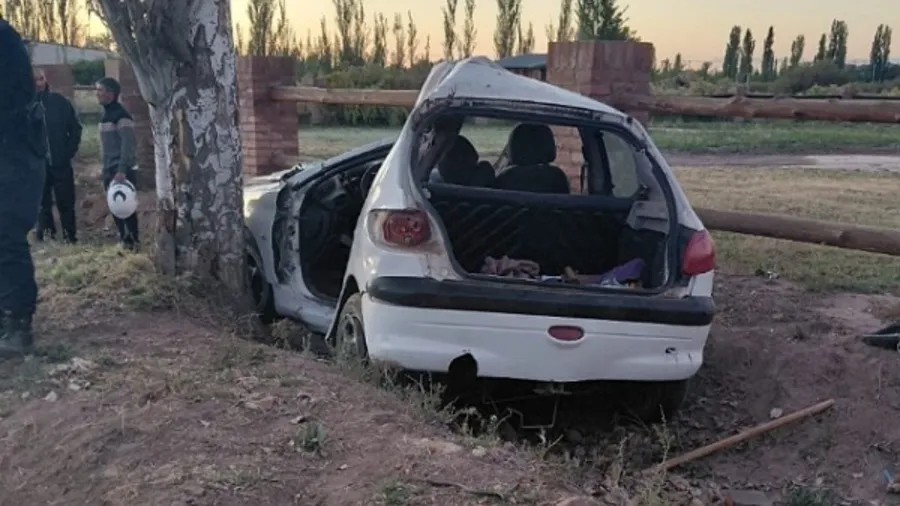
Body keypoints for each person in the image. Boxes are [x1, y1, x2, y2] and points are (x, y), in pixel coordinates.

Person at [0, 19, 48, 358]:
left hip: (14, 156)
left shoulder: (5, 42)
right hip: (11, 152)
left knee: (6, 236)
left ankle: (19, 326)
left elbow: (11, 99)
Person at [34, 67, 83, 243]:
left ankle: (70, 237)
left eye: (40, 79)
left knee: (66, 202)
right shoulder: (24, 106)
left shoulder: (59, 102)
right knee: (42, 204)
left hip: (60, 163)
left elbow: (75, 129)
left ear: (45, 80)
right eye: (33, 80)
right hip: (37, 165)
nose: (37, 84)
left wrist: (67, 152)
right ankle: (48, 236)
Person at [95, 77, 139, 249]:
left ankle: (133, 240)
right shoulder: (105, 115)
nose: (97, 94)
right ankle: (123, 239)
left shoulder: (121, 116)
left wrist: (121, 170)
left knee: (126, 207)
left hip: (121, 171)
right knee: (115, 207)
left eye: (100, 90)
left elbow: (127, 146)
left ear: (111, 94)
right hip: (108, 169)